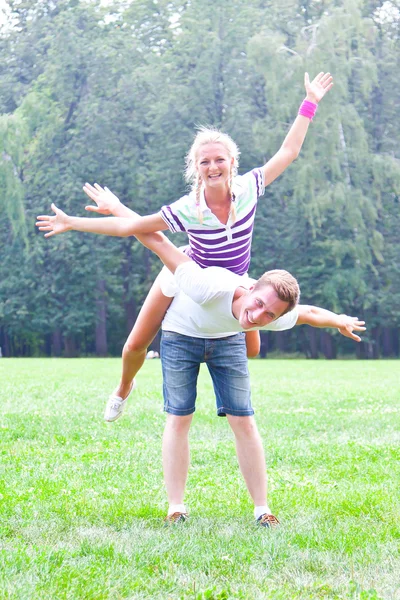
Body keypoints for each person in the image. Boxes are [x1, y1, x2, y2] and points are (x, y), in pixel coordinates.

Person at [36, 204, 365, 528]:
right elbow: (155, 239)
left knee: (244, 419)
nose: (260, 314)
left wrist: (338, 320)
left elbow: (309, 314)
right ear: (250, 287)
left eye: (270, 314)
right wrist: (97, 215)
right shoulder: (207, 286)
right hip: (181, 329)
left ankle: (262, 510)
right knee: (158, 383)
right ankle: (173, 502)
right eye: (260, 304)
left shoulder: (272, 315)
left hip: (227, 338)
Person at [38, 71, 333, 422]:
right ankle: (123, 387)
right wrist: (73, 222)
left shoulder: (250, 187)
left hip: (234, 284)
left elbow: (289, 151)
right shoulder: (188, 209)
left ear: (231, 163)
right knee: (135, 344)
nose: (213, 166)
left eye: (219, 160)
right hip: (186, 272)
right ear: (196, 168)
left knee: (252, 350)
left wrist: (310, 101)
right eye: (204, 162)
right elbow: (134, 228)